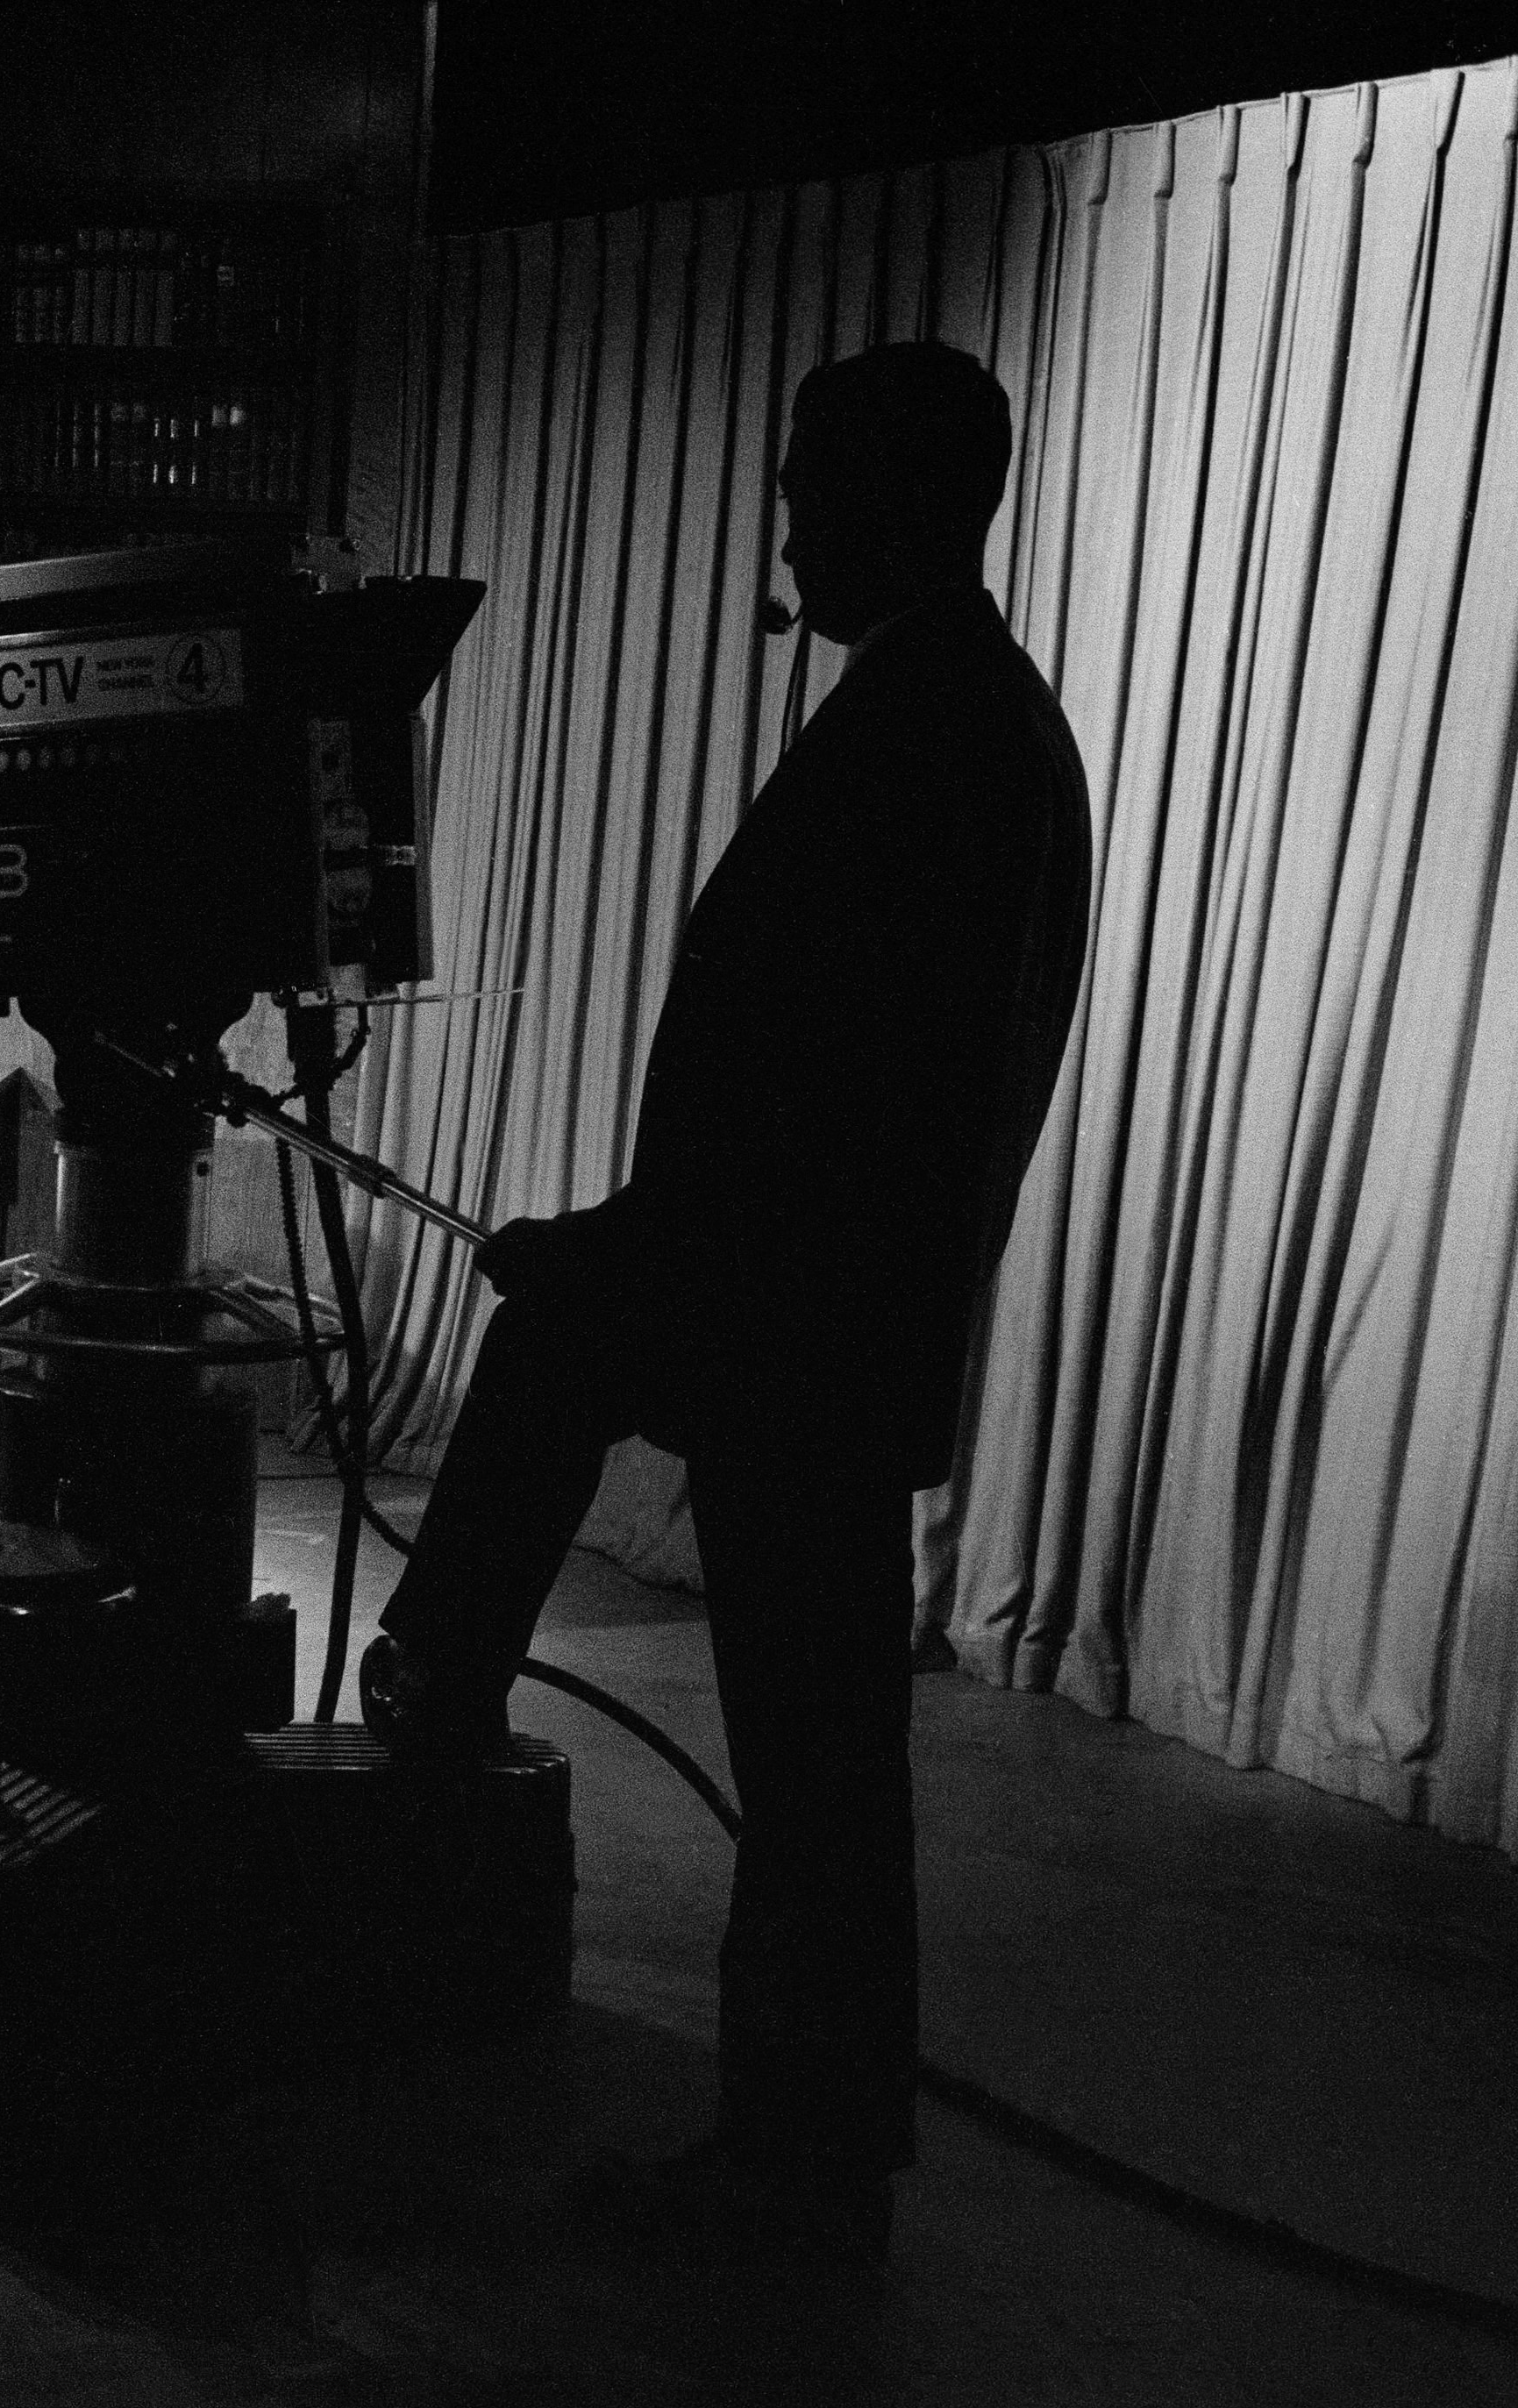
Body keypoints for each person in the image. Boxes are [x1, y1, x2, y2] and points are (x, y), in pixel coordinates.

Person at [363, 340, 1094, 2265]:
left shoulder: (935, 730)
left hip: (803, 1327)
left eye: (806, 492)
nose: (786, 528)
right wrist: (619, 1251)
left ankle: (795, 2166)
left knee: (822, 1771)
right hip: (812, 1314)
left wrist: (620, 1246)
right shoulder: (964, 709)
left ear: (901, 500)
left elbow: (835, 1103)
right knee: (816, 1752)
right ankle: (440, 1682)